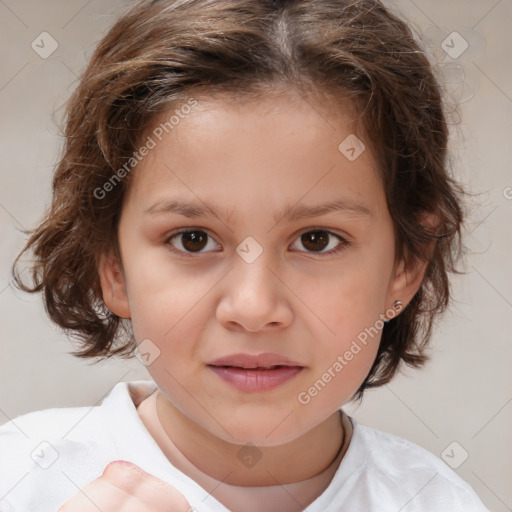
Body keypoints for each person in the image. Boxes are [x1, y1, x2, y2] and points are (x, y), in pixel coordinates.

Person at [0, 0, 490, 511]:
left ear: (406, 262)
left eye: (317, 240)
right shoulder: (19, 480)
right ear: (113, 265)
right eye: (193, 239)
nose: (254, 308)